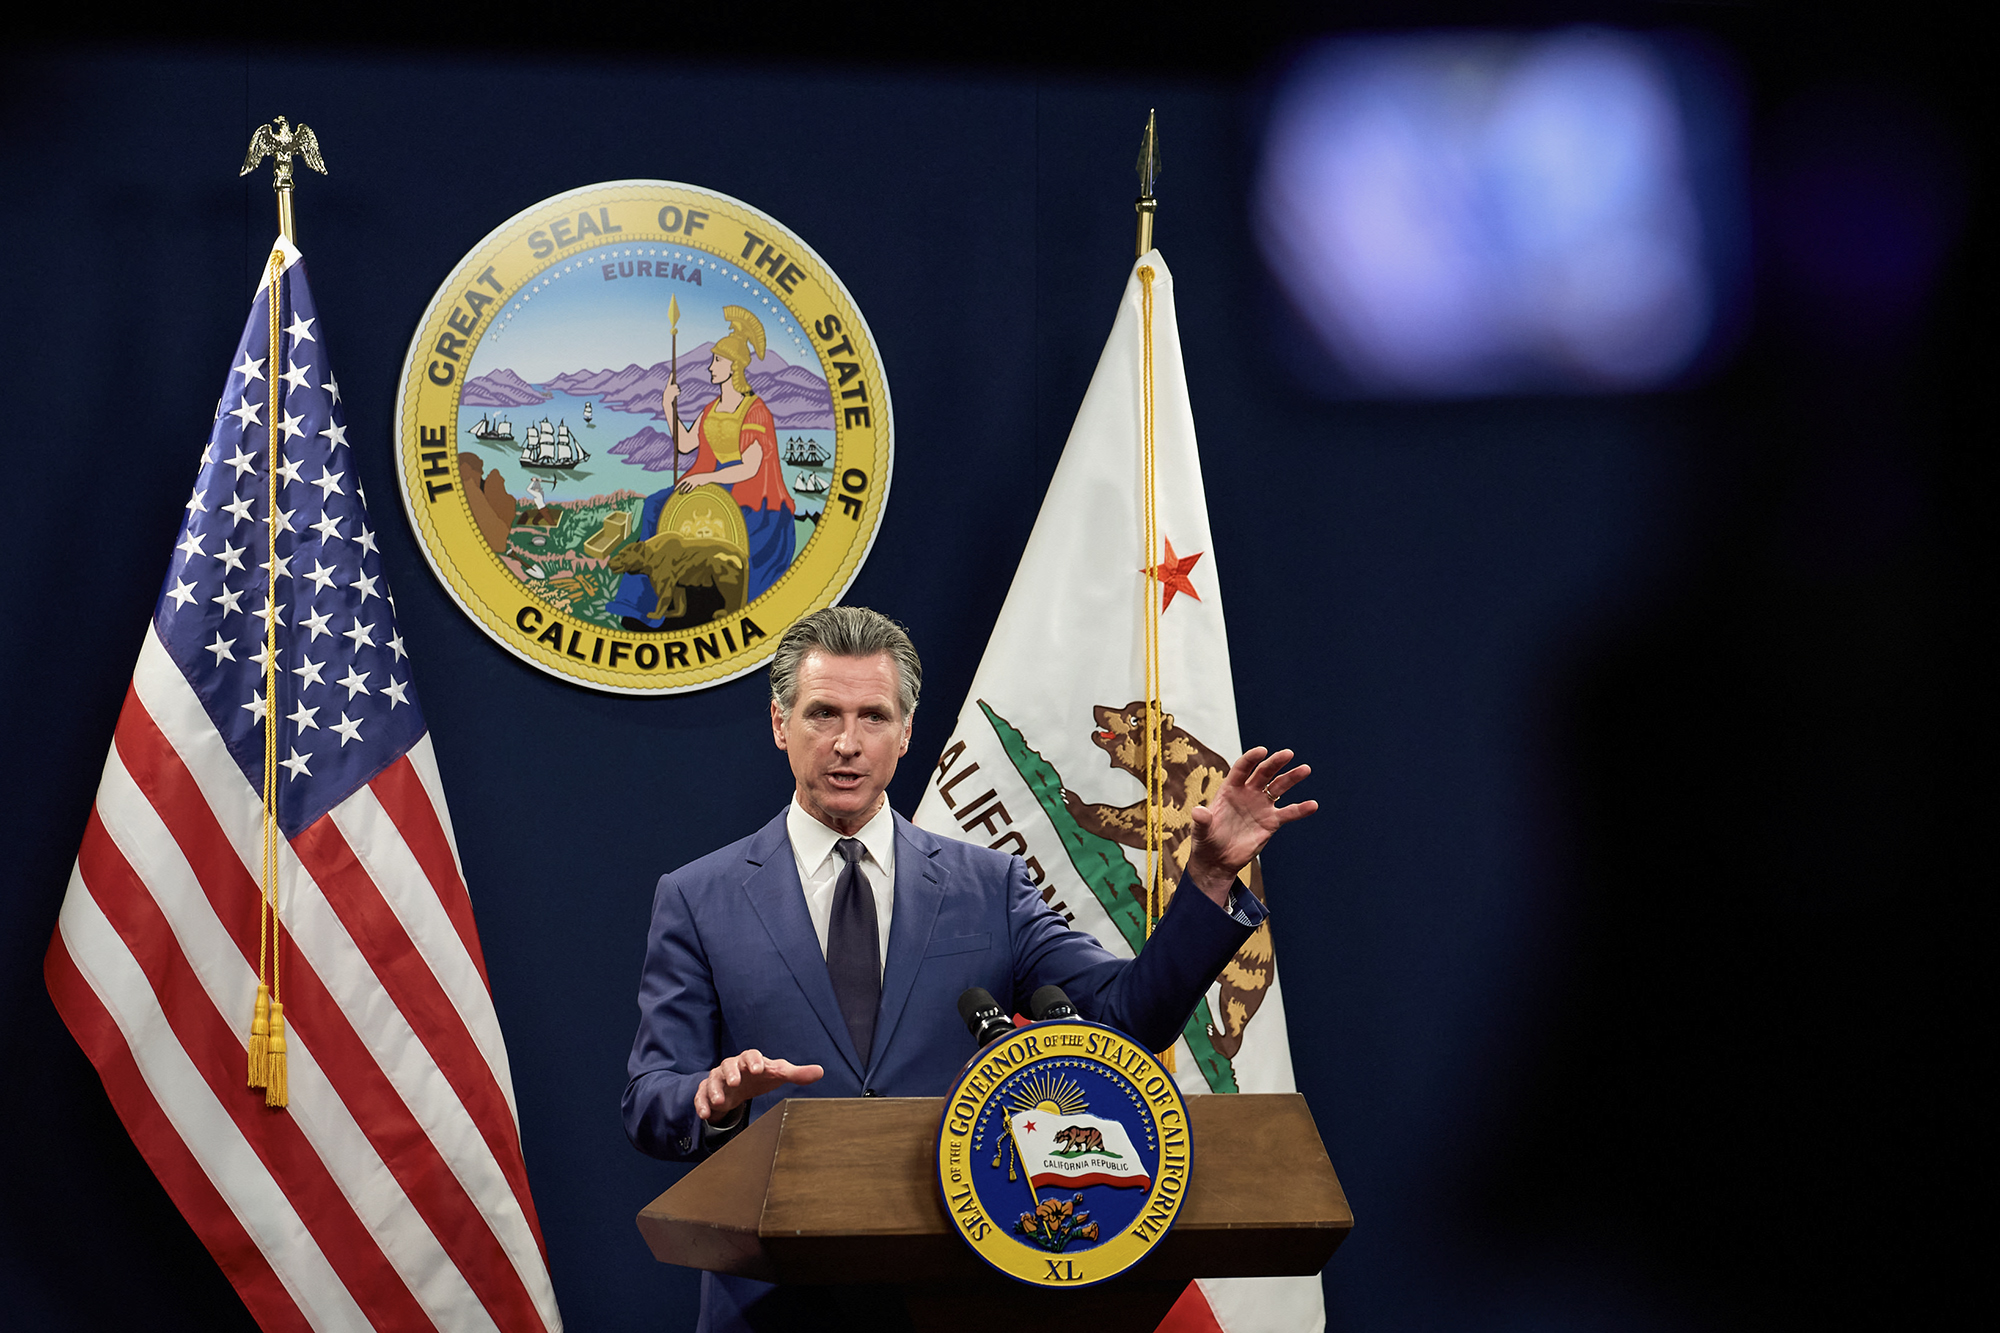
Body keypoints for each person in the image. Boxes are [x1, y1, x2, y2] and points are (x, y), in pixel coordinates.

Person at [622, 607, 1316, 1330]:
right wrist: (715, 1097)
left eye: (874, 716)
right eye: (822, 713)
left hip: (953, 1290)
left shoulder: (991, 886)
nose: (847, 743)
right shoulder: (698, 896)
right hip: (770, 1302)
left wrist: (1203, 882)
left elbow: (1124, 1017)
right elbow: (648, 1100)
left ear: (907, 732)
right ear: (779, 723)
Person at [607, 306, 796, 632]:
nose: (710, 367)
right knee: (654, 504)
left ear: (734, 367)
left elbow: (750, 467)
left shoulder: (756, 410)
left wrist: (707, 477)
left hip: (744, 489)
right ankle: (642, 603)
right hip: (708, 480)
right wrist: (668, 406)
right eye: (712, 361)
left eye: (717, 362)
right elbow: (685, 445)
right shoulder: (711, 407)